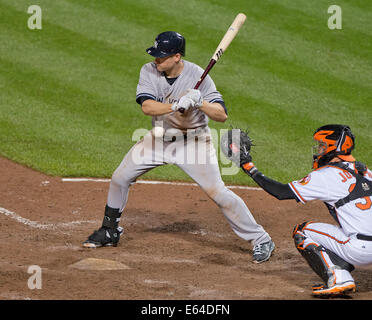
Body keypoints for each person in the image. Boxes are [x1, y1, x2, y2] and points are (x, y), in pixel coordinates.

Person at [83, 31, 275, 263]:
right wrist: (175, 106)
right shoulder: (149, 71)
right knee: (120, 177)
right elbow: (148, 107)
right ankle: (109, 231)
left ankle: (261, 239)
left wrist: (200, 102)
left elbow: (221, 116)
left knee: (218, 193)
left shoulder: (198, 76)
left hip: (194, 143)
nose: (156, 60)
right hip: (159, 139)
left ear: (176, 57)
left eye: (161, 57)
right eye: (155, 55)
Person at [226, 124, 372, 296]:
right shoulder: (366, 172)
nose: (318, 150)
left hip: (360, 250)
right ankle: (343, 266)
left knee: (302, 231)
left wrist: (248, 166)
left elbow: (281, 192)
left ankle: (339, 277)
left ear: (332, 148)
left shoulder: (326, 175)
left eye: (321, 146)